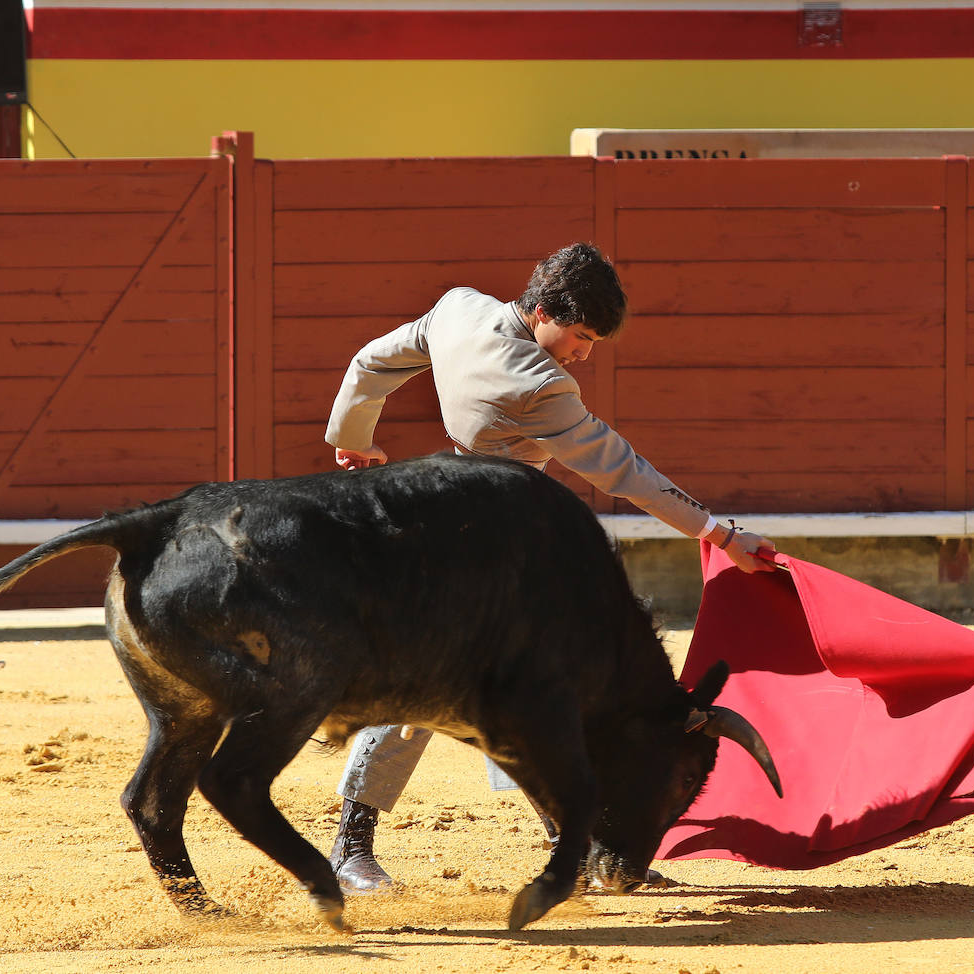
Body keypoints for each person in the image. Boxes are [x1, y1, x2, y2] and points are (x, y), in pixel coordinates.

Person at [323, 242, 776, 892]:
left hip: (483, 542)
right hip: (473, 552)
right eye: (581, 335)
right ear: (543, 311)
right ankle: (349, 847)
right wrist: (717, 532)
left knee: (540, 688)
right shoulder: (540, 385)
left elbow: (370, 363)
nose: (584, 353)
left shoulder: (459, 311)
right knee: (427, 688)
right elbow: (623, 470)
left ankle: (580, 845)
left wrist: (352, 438)